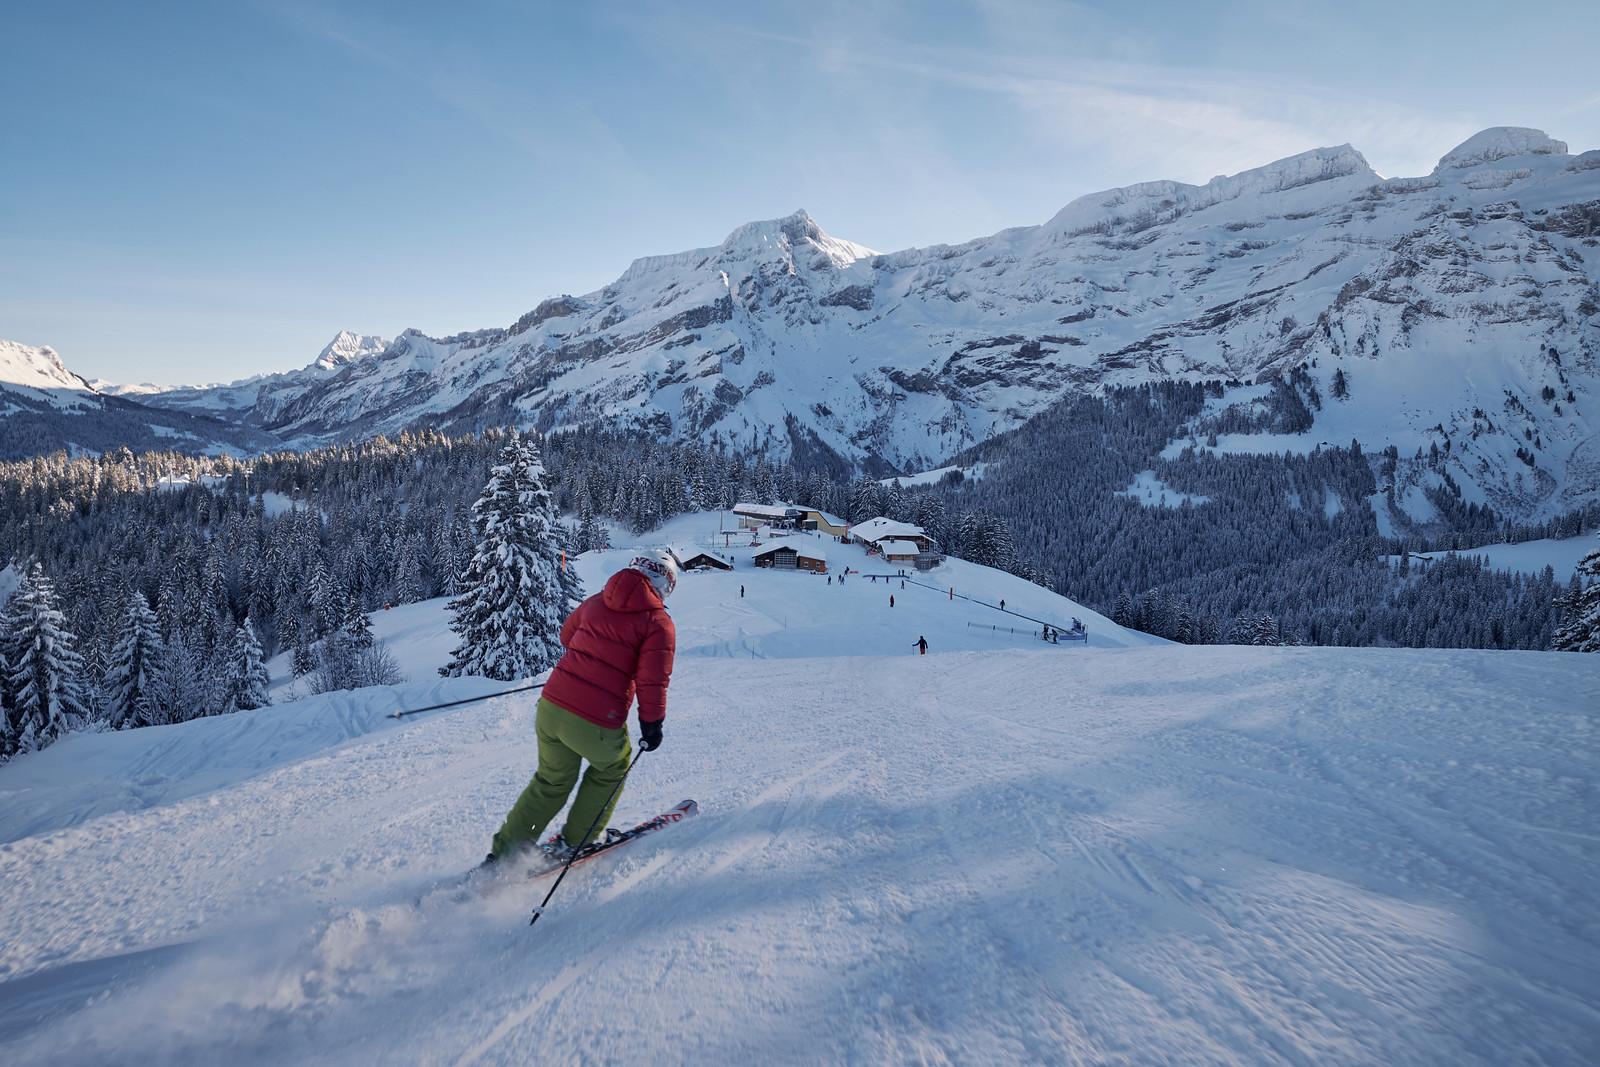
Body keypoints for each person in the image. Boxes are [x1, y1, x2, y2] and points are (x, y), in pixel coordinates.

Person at [486, 552, 678, 864]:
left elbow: (567, 636)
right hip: (596, 719)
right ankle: (579, 840)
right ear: (664, 584)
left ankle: (505, 853)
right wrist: (652, 723)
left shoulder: (597, 600)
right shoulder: (658, 623)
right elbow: (652, 680)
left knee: (551, 781)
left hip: (551, 706)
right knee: (612, 766)